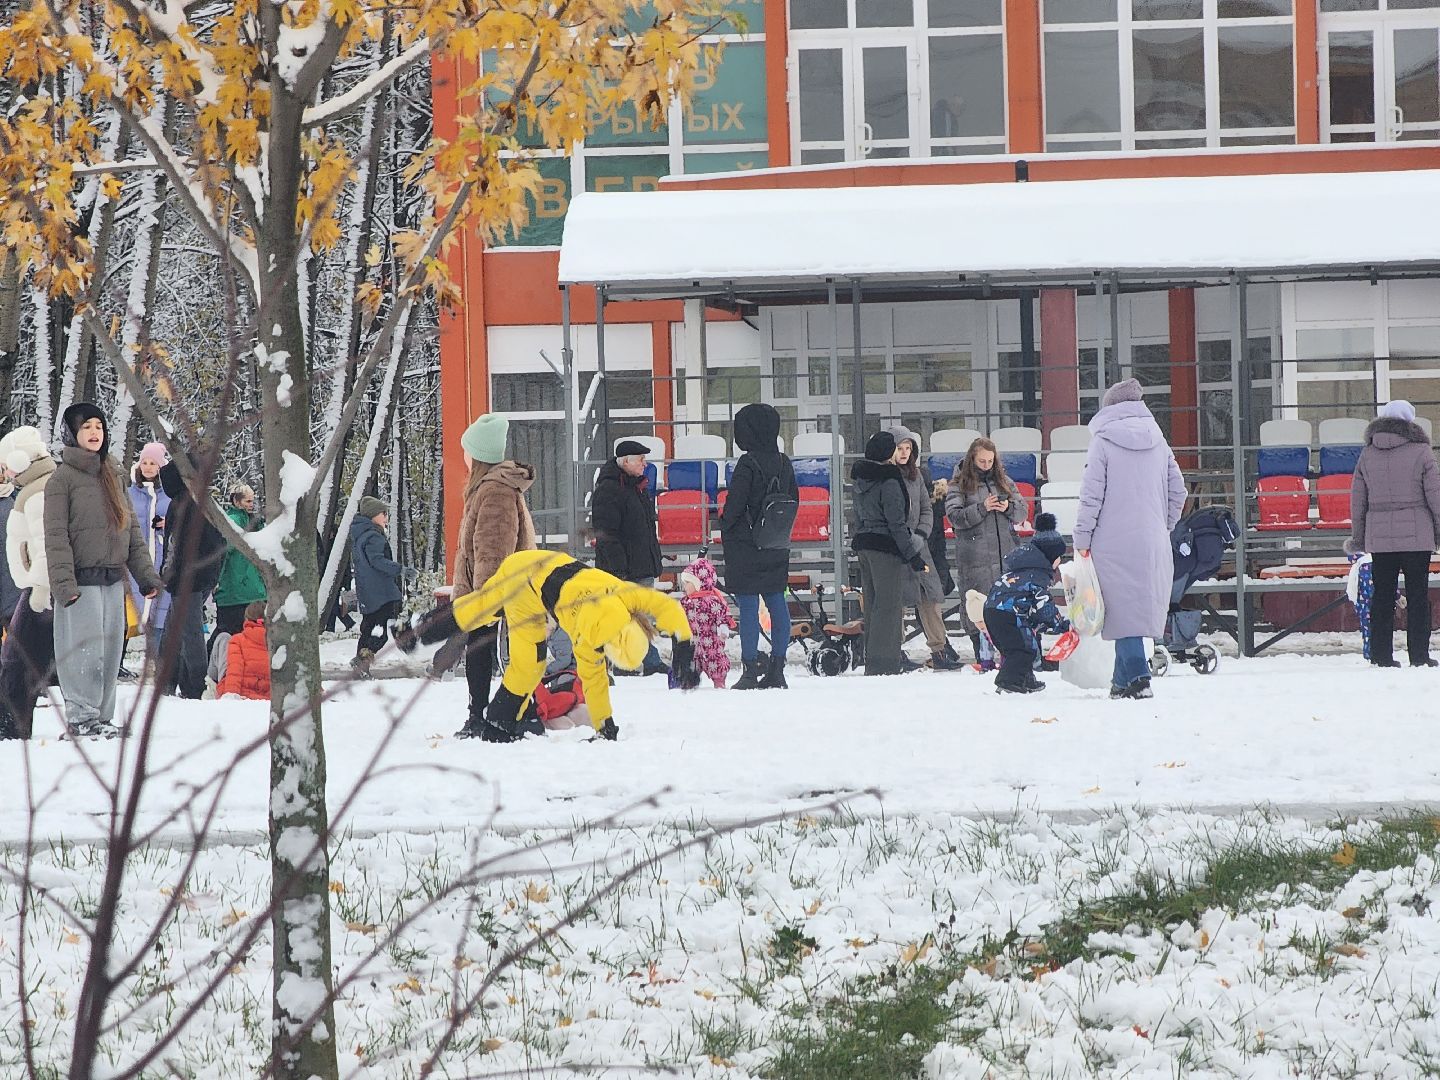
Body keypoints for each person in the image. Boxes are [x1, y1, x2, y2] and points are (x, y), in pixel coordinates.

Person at [400, 549, 698, 742]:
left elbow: (666, 608)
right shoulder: (590, 638)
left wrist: (684, 646)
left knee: (489, 622)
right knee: (487, 618)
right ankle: (419, 631)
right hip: (525, 581)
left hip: (545, 573)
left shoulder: (624, 596)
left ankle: (497, 717)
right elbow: (595, 681)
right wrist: (604, 725)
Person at [44, 403, 164, 738]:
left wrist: (145, 576)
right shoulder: (61, 479)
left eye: (98, 426)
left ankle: (101, 717)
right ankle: (81, 719)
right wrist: (64, 584)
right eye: (86, 427)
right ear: (72, 434)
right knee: (84, 651)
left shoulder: (113, 471)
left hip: (113, 579)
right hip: (79, 582)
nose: (94, 433)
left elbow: (132, 532)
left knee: (110, 653)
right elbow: (55, 537)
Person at [1072, 378, 1186, 700]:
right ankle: (1121, 682)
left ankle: (1137, 676)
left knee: (1122, 613)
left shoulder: (1103, 442)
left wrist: (1082, 538)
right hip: (1152, 538)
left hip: (1111, 539)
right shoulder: (1159, 441)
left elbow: (1091, 496)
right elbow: (1178, 490)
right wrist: (1163, 524)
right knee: (1133, 610)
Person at [449, 413, 538, 738]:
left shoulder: (495, 492)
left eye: (467, 450)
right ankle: (514, 714)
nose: (463, 455)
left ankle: (485, 717)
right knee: (503, 652)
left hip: (494, 591)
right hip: (494, 589)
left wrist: (485, 599)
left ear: (479, 455)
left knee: (487, 652)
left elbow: (492, 547)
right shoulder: (491, 489)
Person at [1345, 399, 1440, 668]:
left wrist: (1359, 534)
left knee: (1383, 596)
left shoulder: (1368, 453)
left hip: (1380, 535)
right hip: (1417, 534)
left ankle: (1381, 655)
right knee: (1418, 596)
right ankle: (1419, 656)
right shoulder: (1422, 451)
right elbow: (1435, 495)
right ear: (1409, 421)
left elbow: (1358, 499)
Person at [719, 404, 797, 689]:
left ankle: (750, 670)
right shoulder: (784, 461)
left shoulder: (747, 463)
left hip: (745, 544)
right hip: (776, 541)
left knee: (749, 605)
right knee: (777, 601)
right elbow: (793, 497)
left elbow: (735, 505)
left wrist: (724, 525)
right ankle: (777, 668)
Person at [851, 430, 928, 676]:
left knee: (872, 603)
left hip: (865, 545)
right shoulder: (890, 481)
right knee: (889, 605)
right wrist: (913, 555)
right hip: (885, 548)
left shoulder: (861, 479)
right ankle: (886, 661)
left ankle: (872, 658)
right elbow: (897, 524)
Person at [946, 437, 1028, 664]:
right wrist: (982, 508)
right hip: (975, 556)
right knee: (977, 605)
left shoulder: (1004, 481)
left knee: (1005, 607)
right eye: (981, 461)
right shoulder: (958, 484)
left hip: (1005, 554)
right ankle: (983, 656)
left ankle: (1007, 656)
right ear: (972, 458)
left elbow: (1022, 512)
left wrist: (1007, 507)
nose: (986, 465)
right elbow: (954, 516)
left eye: (990, 461)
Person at [591, 439, 667, 676]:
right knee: (630, 617)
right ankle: (631, 661)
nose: (645, 464)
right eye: (641, 460)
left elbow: (645, 528)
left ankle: (644, 660)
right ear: (625, 462)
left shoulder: (637, 486)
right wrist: (618, 568)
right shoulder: (609, 490)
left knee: (640, 617)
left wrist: (655, 558)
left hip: (642, 564)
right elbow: (607, 534)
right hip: (624, 568)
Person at [889, 426, 962, 671]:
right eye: (900, 448)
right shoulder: (885, 475)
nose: (904, 453)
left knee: (930, 597)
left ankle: (940, 650)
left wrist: (920, 534)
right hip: (894, 547)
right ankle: (894, 650)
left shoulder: (918, 475)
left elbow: (927, 508)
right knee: (896, 600)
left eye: (908, 448)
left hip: (920, 545)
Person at [0, 427, 55, 740]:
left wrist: (40, 590)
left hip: (38, 590)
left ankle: (12, 725)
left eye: (6, 463)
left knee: (15, 658)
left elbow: (45, 546)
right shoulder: (35, 488)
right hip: (34, 586)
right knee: (19, 658)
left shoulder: (36, 493)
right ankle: (14, 724)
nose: (5, 471)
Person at [157, 458, 226, 699]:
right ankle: (173, 682)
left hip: (187, 578)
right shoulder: (201, 502)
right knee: (175, 632)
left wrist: (169, 575)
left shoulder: (182, 504)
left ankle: (195, 685)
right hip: (199, 576)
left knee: (188, 633)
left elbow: (175, 546)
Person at [983, 513, 1071, 694]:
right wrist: (1060, 624)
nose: (1060, 561)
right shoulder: (1038, 575)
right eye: (1058, 557)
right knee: (1023, 650)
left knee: (1023, 646)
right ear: (1050, 556)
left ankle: (1026, 679)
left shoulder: (1023, 569)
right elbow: (1043, 606)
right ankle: (1007, 682)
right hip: (1007, 613)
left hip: (995, 611)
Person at [349, 495, 406, 677]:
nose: (386, 518)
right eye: (383, 514)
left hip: (368, 592)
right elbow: (378, 561)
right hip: (381, 593)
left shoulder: (360, 536)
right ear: (374, 515)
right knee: (379, 633)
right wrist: (400, 569)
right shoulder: (373, 537)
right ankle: (361, 661)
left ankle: (361, 665)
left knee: (368, 628)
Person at [211, 481, 267, 650]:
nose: (251, 505)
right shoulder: (237, 522)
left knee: (228, 633)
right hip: (240, 588)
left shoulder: (249, 523)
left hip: (241, 589)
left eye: (252, 501)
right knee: (234, 632)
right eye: (247, 501)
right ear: (237, 501)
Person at [127, 441, 171, 644]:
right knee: (129, 611)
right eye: (144, 462)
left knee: (161, 611)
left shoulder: (169, 495)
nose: (148, 467)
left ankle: (159, 659)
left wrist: (167, 523)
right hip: (136, 560)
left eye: (153, 463)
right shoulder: (130, 494)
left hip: (162, 559)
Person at [673, 556, 733, 690]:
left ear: (699, 583)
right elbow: (678, 616)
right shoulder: (685, 602)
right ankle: (688, 679)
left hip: (710, 640)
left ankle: (719, 679)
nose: (685, 586)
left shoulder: (711, 600)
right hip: (692, 640)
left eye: (688, 582)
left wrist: (722, 626)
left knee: (715, 660)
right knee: (691, 661)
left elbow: (721, 614)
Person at [217, 600, 270, 700]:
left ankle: (209, 685)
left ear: (246, 619)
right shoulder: (275, 643)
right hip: (266, 698)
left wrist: (231, 694)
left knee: (222, 638)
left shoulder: (238, 640)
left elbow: (235, 669)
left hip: (242, 695)